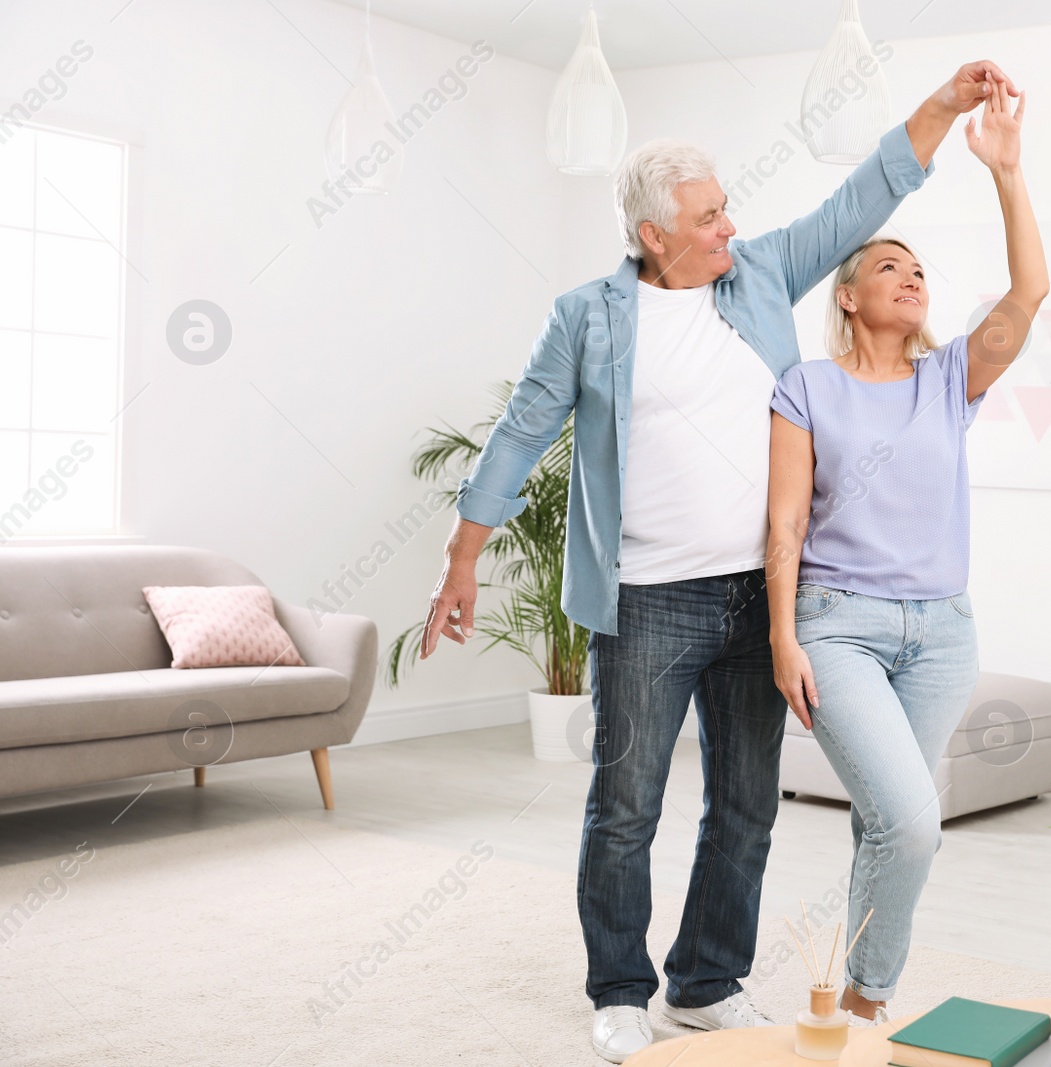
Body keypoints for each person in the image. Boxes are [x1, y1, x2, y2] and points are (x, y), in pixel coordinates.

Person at [417, 62, 1020, 1063]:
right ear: (654, 235)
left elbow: (861, 196)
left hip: (761, 596)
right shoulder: (588, 317)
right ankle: (619, 986)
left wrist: (946, 107)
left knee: (745, 801)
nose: (728, 226)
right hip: (646, 600)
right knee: (626, 802)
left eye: (726, 207)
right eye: (707, 217)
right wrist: (461, 559)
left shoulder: (762, 275)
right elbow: (521, 435)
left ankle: (707, 980)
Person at [766, 73, 1045, 1025]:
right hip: (837, 629)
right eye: (887, 266)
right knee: (914, 821)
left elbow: (1031, 290)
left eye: (917, 268)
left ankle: (840, 1007)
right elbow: (785, 526)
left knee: (886, 828)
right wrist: (781, 640)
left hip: (943, 634)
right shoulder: (806, 385)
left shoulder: (950, 378)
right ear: (846, 297)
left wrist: (1005, 171)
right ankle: (866, 1000)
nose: (910, 276)